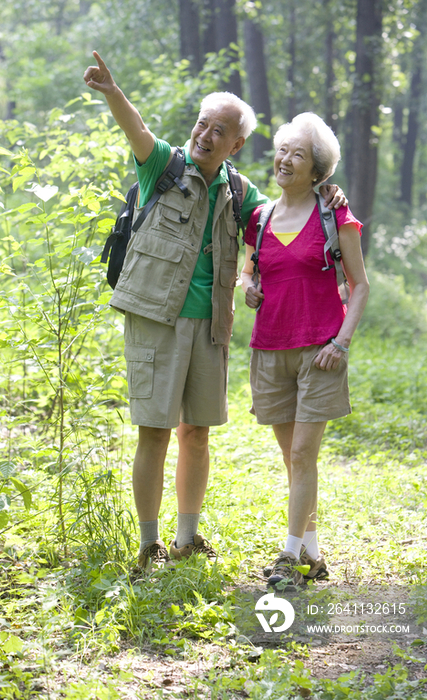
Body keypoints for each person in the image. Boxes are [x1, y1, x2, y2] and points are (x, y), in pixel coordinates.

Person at [84, 52, 345, 573]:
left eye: (219, 129)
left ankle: (186, 536)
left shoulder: (243, 192)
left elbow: (280, 219)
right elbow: (136, 128)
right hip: (156, 316)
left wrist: (324, 191)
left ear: (236, 143)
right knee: (153, 430)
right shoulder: (162, 163)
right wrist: (113, 92)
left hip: (211, 326)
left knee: (195, 432)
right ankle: (147, 541)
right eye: (202, 123)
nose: (205, 134)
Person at [241, 112, 369, 590]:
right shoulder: (260, 217)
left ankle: (288, 558)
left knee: (301, 452)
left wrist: (342, 341)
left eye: (298, 153)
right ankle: (313, 554)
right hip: (270, 348)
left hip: (321, 350)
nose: (285, 159)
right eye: (282, 150)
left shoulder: (336, 215)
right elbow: (249, 269)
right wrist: (247, 286)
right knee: (294, 460)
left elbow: (360, 286)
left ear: (318, 170)